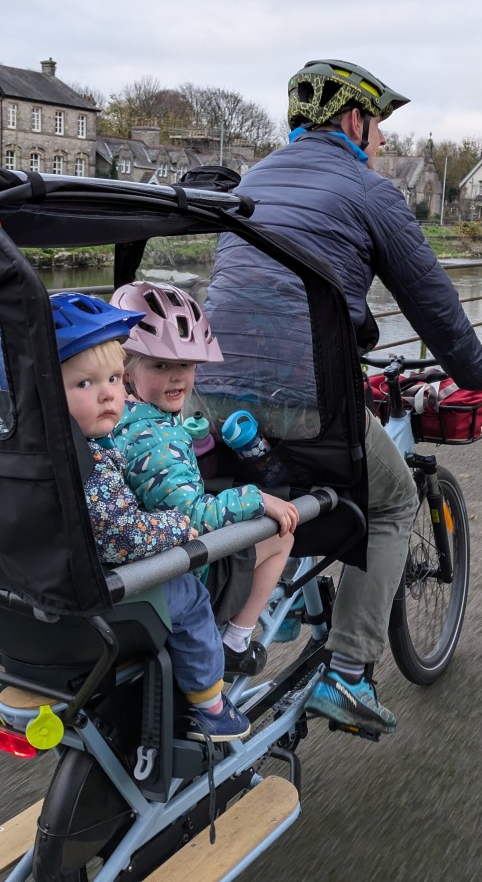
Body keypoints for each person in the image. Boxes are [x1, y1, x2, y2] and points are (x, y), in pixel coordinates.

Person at [202, 60, 482, 738]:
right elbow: (432, 301)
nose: (382, 144)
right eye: (379, 129)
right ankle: (348, 673)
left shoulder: (250, 181)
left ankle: (268, 610)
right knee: (393, 498)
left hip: (208, 390)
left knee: (266, 482)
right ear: (352, 120)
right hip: (303, 397)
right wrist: (478, 372)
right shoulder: (370, 191)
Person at [46, 291, 251, 743]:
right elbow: (123, 538)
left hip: (49, 583)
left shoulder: (35, 450)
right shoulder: (92, 463)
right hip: (108, 589)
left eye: (115, 379)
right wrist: (180, 526)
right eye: (85, 385)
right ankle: (211, 706)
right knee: (191, 598)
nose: (108, 395)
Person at [106, 280, 298, 677]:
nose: (178, 378)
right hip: (184, 575)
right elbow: (192, 517)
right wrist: (258, 499)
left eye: (187, 365)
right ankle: (235, 641)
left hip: (140, 564)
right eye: (161, 365)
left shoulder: (114, 418)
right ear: (127, 369)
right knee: (282, 536)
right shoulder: (156, 439)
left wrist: (185, 432)